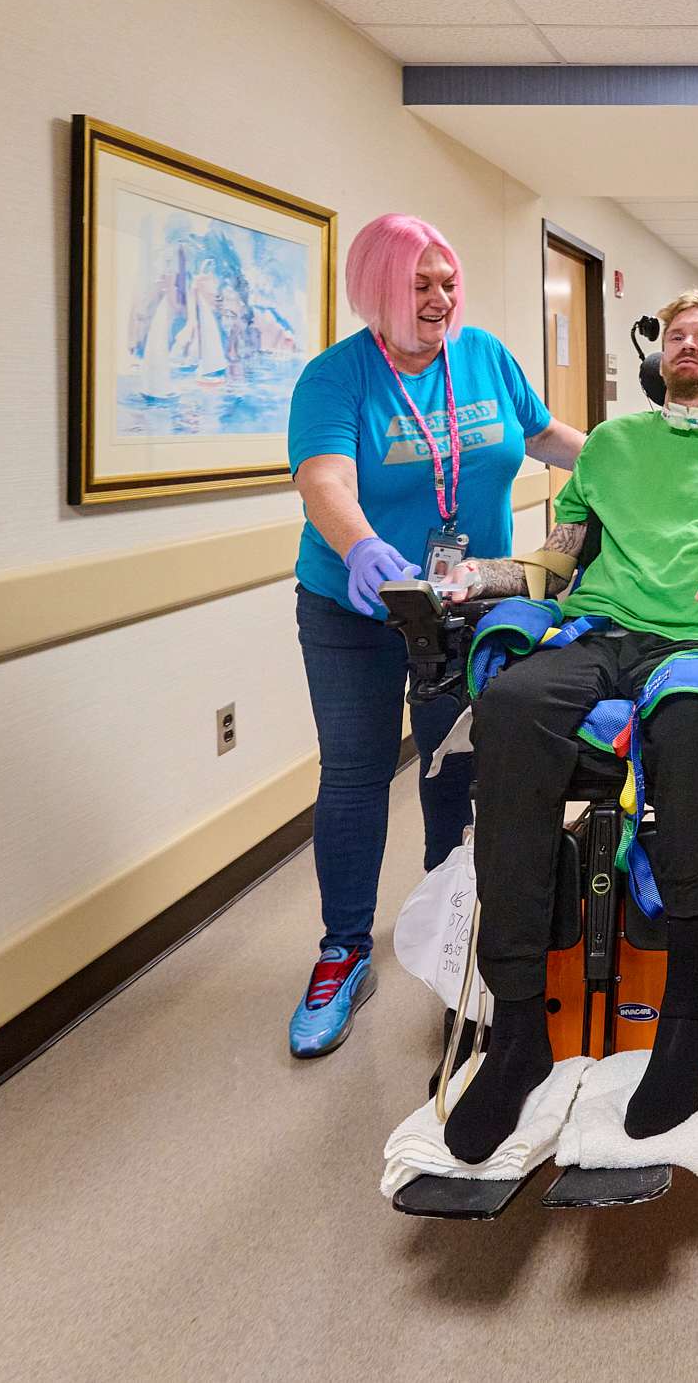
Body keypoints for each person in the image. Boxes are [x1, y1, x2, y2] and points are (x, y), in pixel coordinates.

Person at [437, 288, 698, 1164]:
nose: (690, 344)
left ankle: (687, 1015)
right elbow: (559, 554)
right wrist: (485, 578)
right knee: (507, 707)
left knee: (686, 723)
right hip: (604, 629)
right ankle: (517, 1033)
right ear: (660, 361)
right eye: (678, 335)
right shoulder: (611, 445)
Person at [284, 214, 586, 1058]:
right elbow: (324, 478)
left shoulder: (483, 354)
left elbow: (546, 436)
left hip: (470, 600)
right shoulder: (336, 377)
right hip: (357, 607)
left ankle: (449, 928)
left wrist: (625, 460)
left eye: (448, 282)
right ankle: (343, 952)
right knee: (356, 768)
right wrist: (361, 544)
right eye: (421, 285)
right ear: (378, 288)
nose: (440, 298)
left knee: (459, 762)